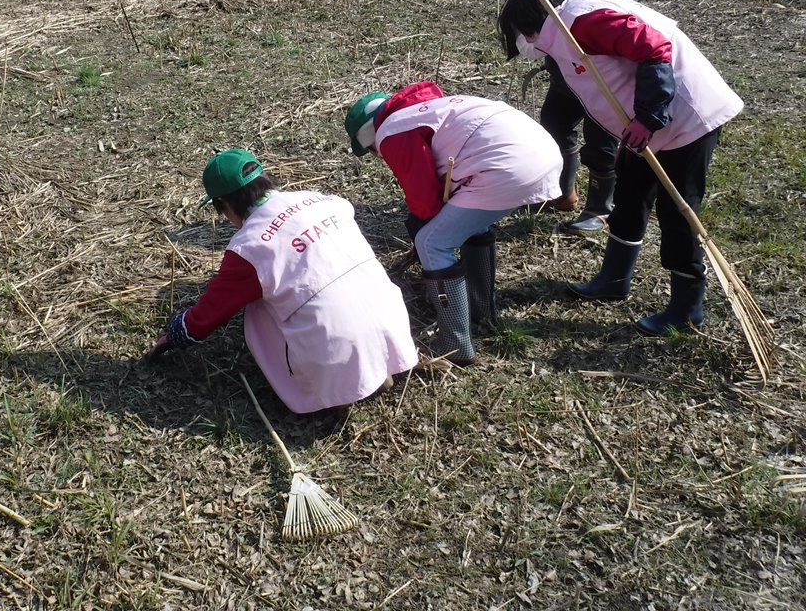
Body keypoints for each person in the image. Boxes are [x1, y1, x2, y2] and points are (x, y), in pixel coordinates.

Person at [497, 0, 744, 336]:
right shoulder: (567, 31)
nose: (522, 42)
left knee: (677, 210)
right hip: (645, 127)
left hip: (685, 117)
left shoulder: (583, 23)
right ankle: (614, 278)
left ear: (531, 23)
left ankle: (687, 306)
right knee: (629, 196)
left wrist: (647, 117)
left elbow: (654, 47)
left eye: (520, 31)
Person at [146, 149, 418, 413]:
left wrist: (175, 334)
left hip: (335, 348)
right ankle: (374, 366)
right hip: (393, 320)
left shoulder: (249, 248)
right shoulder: (324, 200)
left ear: (224, 205)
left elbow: (208, 315)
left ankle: (333, 391)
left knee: (257, 308)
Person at [346, 83, 562, 365]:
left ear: (369, 137)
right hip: (542, 152)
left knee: (432, 242)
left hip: (506, 167)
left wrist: (423, 226)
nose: (378, 155)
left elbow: (425, 202)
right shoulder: (428, 108)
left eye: (372, 151)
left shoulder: (392, 129)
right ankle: (481, 309)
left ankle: (454, 343)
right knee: (469, 222)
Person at [495, 0, 637, 236]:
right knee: (556, 121)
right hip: (565, 50)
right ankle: (563, 192)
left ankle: (601, 206)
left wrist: (591, 42)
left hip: (597, 54)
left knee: (601, 129)